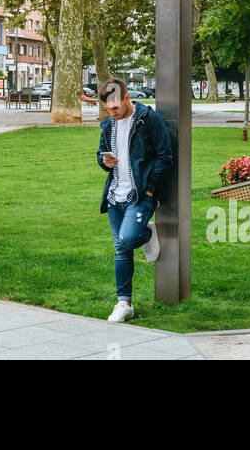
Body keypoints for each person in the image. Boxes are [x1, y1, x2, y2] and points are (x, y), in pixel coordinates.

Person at [95, 77, 175, 322]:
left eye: (116, 107)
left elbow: (165, 156)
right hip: (114, 194)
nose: (113, 113)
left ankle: (147, 234)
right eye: (109, 109)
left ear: (127, 97)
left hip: (140, 194)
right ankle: (124, 303)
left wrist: (150, 189)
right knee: (121, 249)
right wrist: (103, 161)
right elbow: (100, 154)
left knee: (128, 239)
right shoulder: (108, 125)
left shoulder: (148, 120)